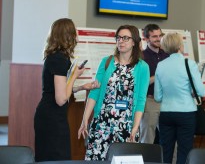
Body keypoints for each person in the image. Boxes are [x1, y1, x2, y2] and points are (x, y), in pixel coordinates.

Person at [78, 25, 150, 161]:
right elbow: (95, 92)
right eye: (118, 38)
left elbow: (141, 100)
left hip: (126, 125)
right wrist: (85, 119)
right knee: (96, 160)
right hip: (102, 124)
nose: (121, 41)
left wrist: (135, 127)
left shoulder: (142, 67)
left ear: (134, 41)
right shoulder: (107, 62)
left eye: (125, 38)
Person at [34, 18, 99, 162]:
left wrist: (82, 87)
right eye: (74, 31)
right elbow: (61, 98)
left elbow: (59, 89)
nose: (77, 35)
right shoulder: (59, 59)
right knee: (57, 158)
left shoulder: (57, 57)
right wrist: (75, 76)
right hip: (52, 117)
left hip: (50, 115)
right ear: (68, 35)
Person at [154, 33, 205, 164]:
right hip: (186, 113)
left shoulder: (161, 65)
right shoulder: (190, 63)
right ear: (179, 46)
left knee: (165, 151)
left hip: (166, 113)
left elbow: (157, 97)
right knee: (184, 151)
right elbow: (200, 91)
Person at [140, 24, 169, 144]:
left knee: (169, 139)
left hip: (168, 101)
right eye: (154, 36)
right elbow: (141, 83)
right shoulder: (141, 57)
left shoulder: (167, 54)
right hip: (150, 102)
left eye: (160, 35)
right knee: (147, 139)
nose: (158, 39)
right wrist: (158, 74)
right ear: (146, 39)